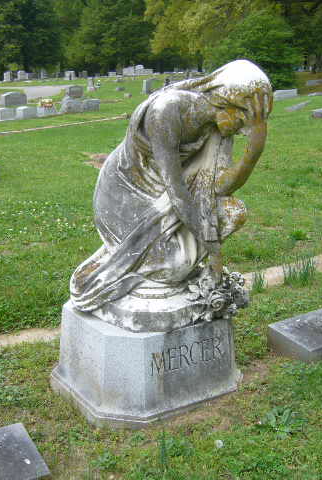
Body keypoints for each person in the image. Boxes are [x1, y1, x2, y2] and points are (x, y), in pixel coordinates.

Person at [71, 60, 272, 313]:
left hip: (174, 198)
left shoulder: (218, 129)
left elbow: (218, 188)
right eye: (246, 120)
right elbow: (176, 193)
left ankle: (166, 271)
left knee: (234, 213)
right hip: (126, 197)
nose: (245, 130)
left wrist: (254, 151)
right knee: (175, 268)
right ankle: (144, 274)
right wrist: (213, 250)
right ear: (227, 102)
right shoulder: (167, 111)